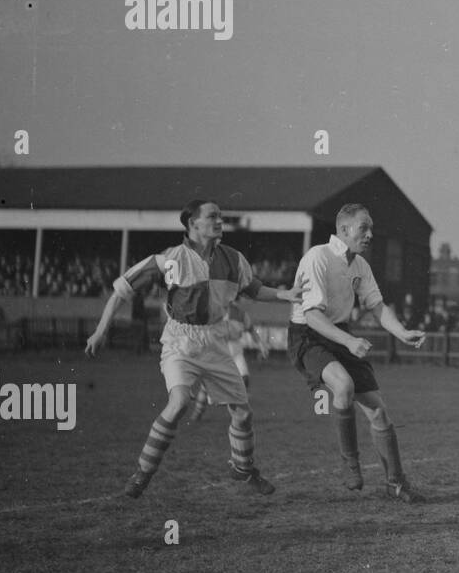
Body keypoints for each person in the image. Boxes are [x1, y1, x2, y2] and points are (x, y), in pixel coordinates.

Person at [85, 200, 297, 498]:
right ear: (192, 224)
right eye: (213, 216)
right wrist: (100, 330)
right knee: (179, 402)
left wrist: (287, 293)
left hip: (215, 340)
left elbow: (255, 290)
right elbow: (121, 289)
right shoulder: (171, 259)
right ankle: (142, 474)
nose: (220, 220)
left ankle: (243, 470)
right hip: (180, 341)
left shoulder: (234, 259)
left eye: (221, 216)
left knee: (243, 414)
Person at [288, 204, 428, 502]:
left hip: (338, 333)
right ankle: (351, 464)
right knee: (344, 385)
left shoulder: (360, 265)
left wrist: (402, 332)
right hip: (309, 335)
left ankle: (396, 483)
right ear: (343, 230)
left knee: (378, 410)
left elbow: (377, 307)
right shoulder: (317, 257)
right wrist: (350, 342)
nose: (370, 234)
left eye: (371, 228)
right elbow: (311, 315)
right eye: (364, 228)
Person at [188, 299, 268, 422]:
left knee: (244, 378)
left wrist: (261, 344)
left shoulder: (241, 313)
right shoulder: (213, 311)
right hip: (218, 351)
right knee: (207, 385)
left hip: (235, 350)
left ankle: (238, 412)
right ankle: (198, 412)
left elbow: (251, 329)